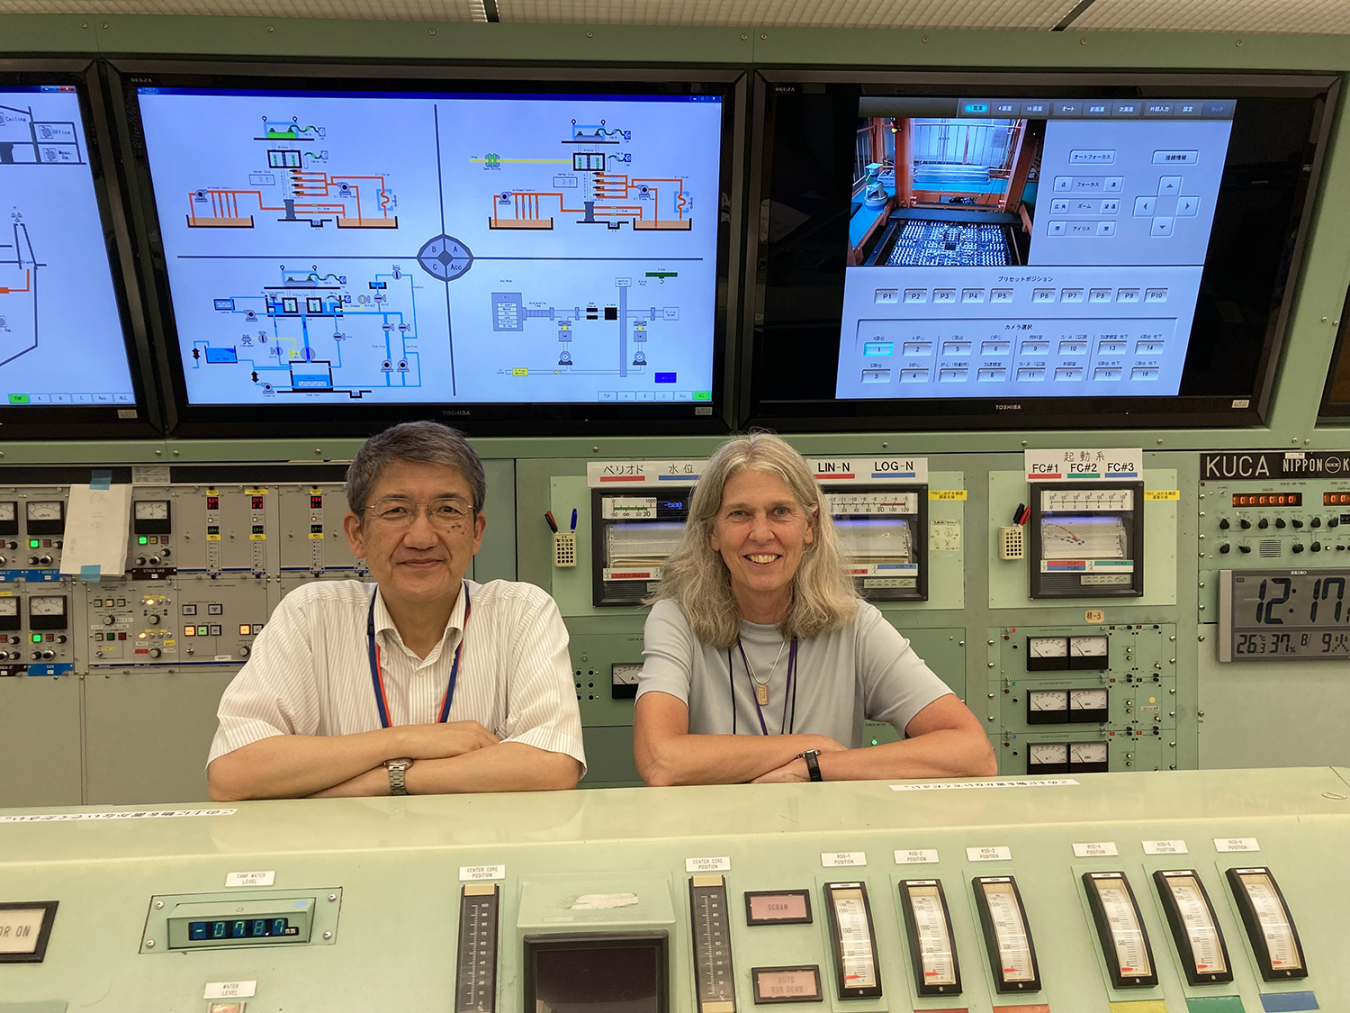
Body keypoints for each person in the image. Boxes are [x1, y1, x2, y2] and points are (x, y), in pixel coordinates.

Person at [207, 421, 585, 800]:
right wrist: (405, 740)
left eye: (447, 509)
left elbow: (551, 764)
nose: (421, 537)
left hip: (481, 854)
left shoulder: (521, 612)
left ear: (475, 532)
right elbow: (234, 773)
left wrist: (382, 780)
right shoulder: (311, 615)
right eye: (396, 511)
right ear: (357, 533)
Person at [634, 431, 996, 786]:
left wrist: (814, 768)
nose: (761, 533)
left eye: (780, 512)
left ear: (809, 526)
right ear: (713, 532)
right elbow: (660, 760)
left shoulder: (855, 625)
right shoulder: (676, 619)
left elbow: (973, 753)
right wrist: (810, 746)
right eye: (740, 514)